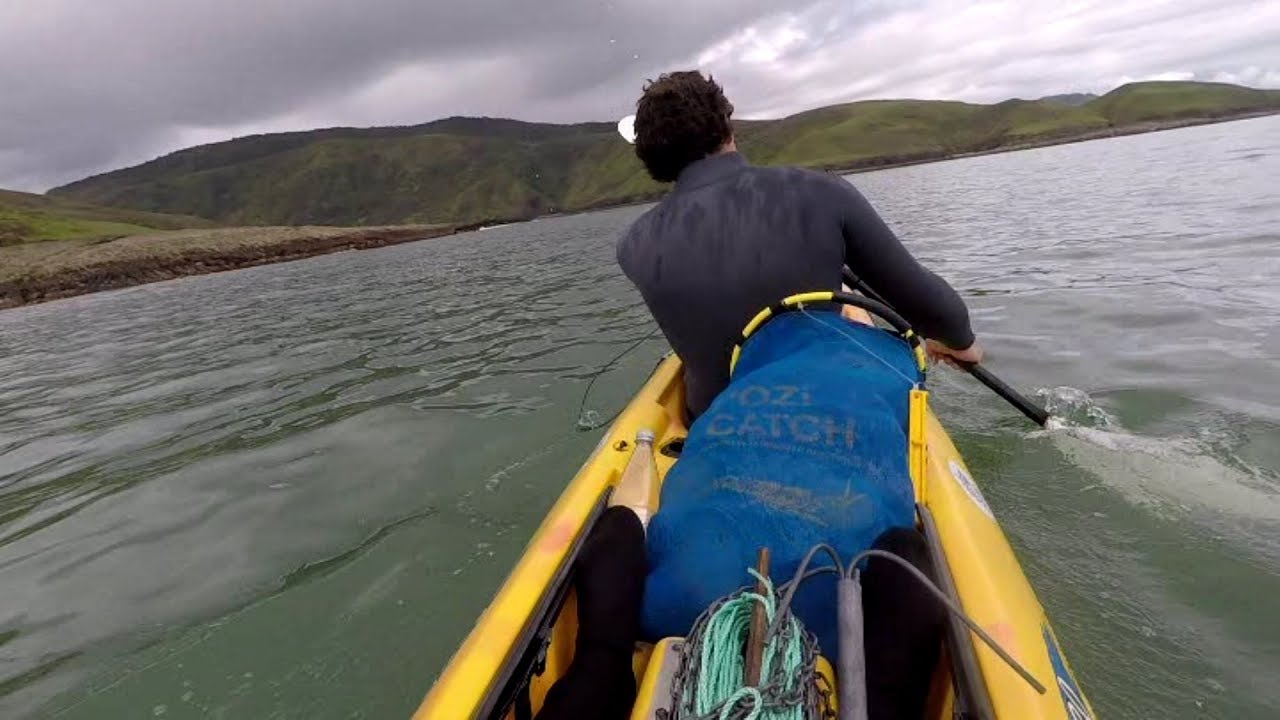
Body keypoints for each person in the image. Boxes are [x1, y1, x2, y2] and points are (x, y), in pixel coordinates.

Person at [616, 70, 982, 422]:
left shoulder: (632, 245)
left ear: (652, 157)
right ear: (727, 125)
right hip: (832, 411)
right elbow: (932, 308)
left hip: (715, 423)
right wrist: (959, 341)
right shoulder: (819, 191)